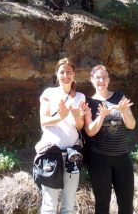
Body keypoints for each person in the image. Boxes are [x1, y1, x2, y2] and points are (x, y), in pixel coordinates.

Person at [82, 64, 136, 214]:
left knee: (126, 206)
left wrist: (124, 111)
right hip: (99, 160)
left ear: (109, 79)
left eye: (104, 77)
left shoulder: (120, 96)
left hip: (122, 159)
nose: (101, 80)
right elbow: (90, 131)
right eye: (98, 77)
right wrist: (102, 115)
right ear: (92, 80)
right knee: (102, 206)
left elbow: (131, 125)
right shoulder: (89, 102)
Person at [35, 57, 86, 214]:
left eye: (68, 72)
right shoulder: (48, 93)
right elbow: (44, 121)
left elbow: (79, 126)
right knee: (49, 205)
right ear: (57, 74)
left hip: (72, 155)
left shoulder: (80, 97)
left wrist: (77, 117)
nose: (65, 75)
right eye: (62, 72)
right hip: (51, 154)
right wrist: (62, 116)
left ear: (74, 74)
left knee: (69, 205)